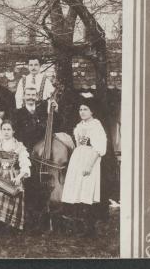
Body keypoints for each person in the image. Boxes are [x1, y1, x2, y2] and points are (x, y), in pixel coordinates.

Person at [61, 98, 107, 237]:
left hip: (90, 159)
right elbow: (78, 144)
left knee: (87, 191)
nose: (82, 112)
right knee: (77, 191)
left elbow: (99, 148)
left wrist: (89, 165)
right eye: (80, 109)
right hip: (78, 157)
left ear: (92, 111)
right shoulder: (79, 126)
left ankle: (90, 229)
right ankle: (78, 226)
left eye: (85, 109)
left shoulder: (96, 125)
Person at [13, 87, 60, 153]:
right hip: (27, 150)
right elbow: (17, 136)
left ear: (37, 97)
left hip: (44, 149)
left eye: (33, 95)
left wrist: (55, 111)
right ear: (24, 96)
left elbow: (56, 126)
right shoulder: (18, 113)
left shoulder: (43, 111)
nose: (30, 97)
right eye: (28, 95)